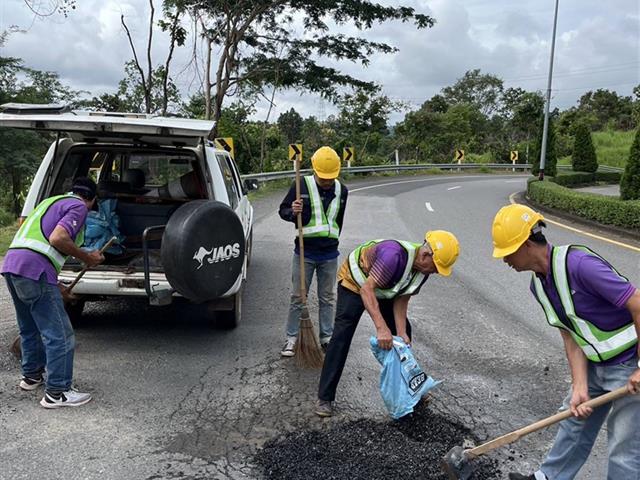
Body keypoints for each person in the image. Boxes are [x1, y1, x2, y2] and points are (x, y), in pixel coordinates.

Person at [491, 204, 640, 480]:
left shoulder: (580, 265)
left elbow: (638, 303)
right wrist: (580, 386)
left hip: (630, 363)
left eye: (506, 252)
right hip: (595, 366)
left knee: (624, 445)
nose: (504, 260)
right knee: (573, 419)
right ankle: (548, 478)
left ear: (525, 245)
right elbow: (570, 336)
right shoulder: (539, 286)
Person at [315, 231, 460, 417]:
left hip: (385, 289)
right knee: (342, 335)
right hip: (356, 283)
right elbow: (367, 290)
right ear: (425, 255)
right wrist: (381, 328)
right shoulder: (393, 256)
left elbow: (402, 297)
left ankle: (410, 389)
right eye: (436, 267)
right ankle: (325, 397)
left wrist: (400, 334)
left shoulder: (423, 271)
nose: (436, 272)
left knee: (404, 335)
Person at [2, 177, 105, 409]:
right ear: (92, 200)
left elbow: (39, 247)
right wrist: (88, 258)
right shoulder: (78, 206)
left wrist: (56, 287)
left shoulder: (49, 202)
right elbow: (57, 238)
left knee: (29, 327)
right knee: (60, 334)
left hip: (13, 266)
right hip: (33, 269)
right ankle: (57, 392)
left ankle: (31, 377)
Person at [278, 146, 349, 357]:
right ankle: (291, 338)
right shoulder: (300, 185)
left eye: (330, 178)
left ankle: (327, 338)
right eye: (323, 178)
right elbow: (283, 210)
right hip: (304, 252)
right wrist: (293, 212)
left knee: (327, 298)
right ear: (315, 172)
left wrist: (332, 240)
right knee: (298, 297)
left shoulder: (342, 190)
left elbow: (339, 220)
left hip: (329, 254)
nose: (326, 181)